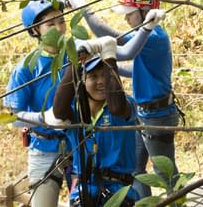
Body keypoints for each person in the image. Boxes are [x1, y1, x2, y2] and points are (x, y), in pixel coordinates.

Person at [69, 0, 171, 198]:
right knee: (136, 170)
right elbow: (134, 69)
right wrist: (107, 70)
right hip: (146, 112)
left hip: (157, 115)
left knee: (165, 173)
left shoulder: (153, 37)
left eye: (130, 14)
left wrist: (83, 8)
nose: (127, 20)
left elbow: (116, 44)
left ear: (145, 11)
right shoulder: (148, 36)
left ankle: (177, 202)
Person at [51, 36, 139, 206]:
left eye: (106, 76)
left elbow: (116, 107)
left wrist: (109, 55)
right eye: (93, 76)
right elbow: (59, 111)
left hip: (118, 192)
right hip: (84, 191)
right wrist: (74, 61)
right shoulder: (77, 113)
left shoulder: (126, 105)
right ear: (83, 81)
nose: (101, 82)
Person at [4, 0, 69, 207]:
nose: (59, 28)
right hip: (44, 146)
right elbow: (12, 116)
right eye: (51, 24)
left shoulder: (76, 55)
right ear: (35, 30)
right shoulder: (26, 68)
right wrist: (44, 118)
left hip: (79, 142)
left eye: (61, 21)